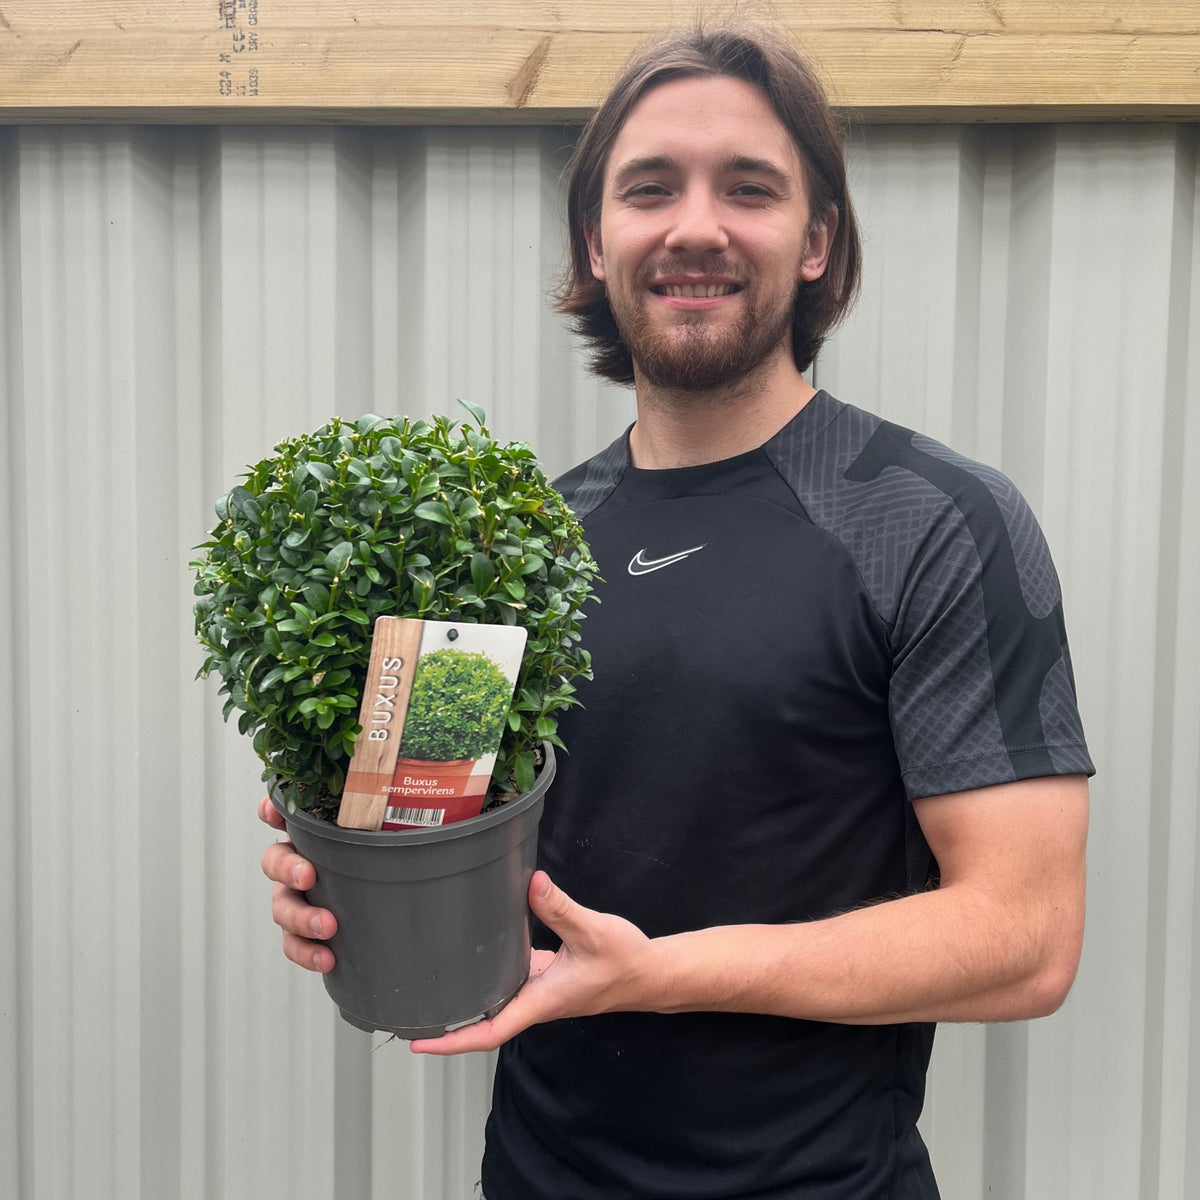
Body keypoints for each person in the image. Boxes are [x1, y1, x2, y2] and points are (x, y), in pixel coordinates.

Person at [260, 22, 1094, 1200]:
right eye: (650, 188)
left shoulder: (932, 520)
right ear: (595, 242)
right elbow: (463, 831)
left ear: (817, 242)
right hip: (535, 1176)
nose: (695, 225)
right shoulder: (523, 548)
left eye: (748, 189)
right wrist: (351, 878)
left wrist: (657, 974)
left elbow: (1026, 942)